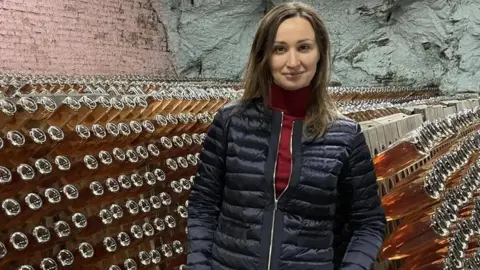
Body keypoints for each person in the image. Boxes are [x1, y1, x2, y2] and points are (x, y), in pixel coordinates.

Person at [186, 2, 386, 270]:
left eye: (304, 47)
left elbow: (368, 223)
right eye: (280, 49)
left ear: (320, 53)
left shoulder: (345, 135)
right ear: (264, 56)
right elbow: (203, 205)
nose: (293, 62)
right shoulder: (230, 122)